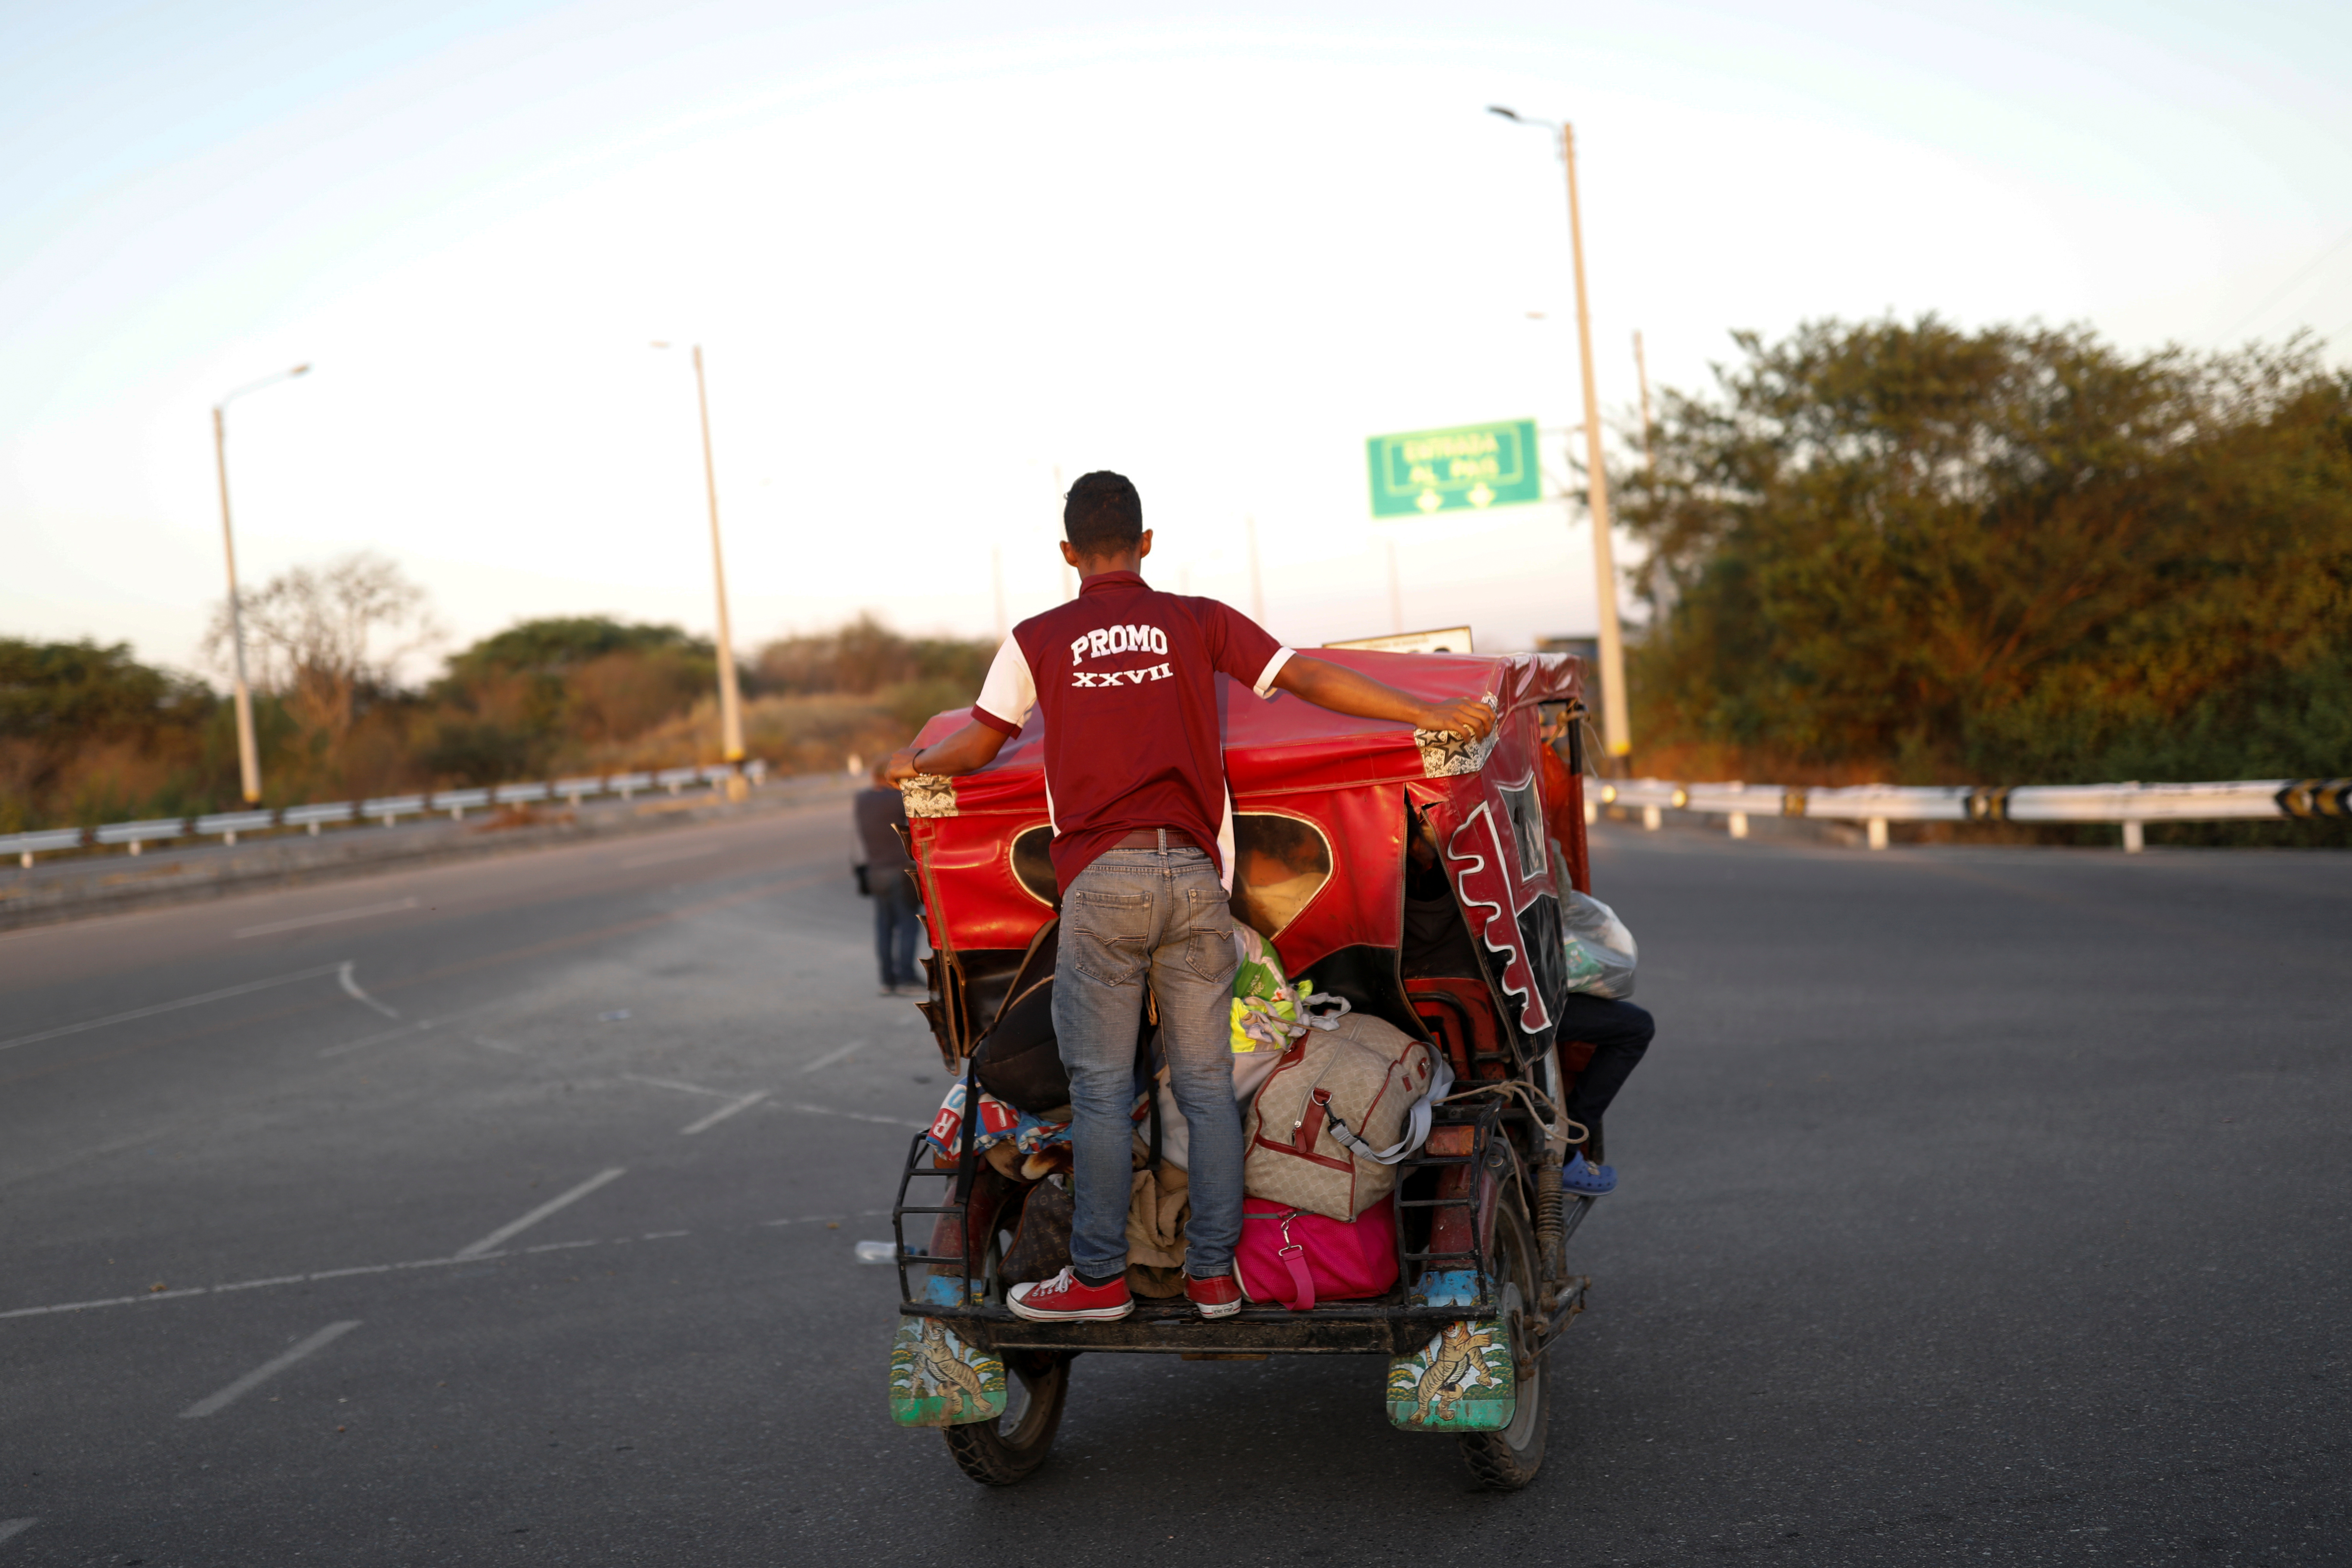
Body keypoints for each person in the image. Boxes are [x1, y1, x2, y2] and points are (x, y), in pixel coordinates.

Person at [886, 470, 1494, 1324]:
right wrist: (1424, 706)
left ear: (1067, 553)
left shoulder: (1036, 638)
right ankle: (1214, 1273)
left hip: (1102, 883)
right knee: (1205, 1087)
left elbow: (980, 742)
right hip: (1196, 882)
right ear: (1144, 543)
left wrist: (915, 765)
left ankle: (1097, 1279)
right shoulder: (1196, 619)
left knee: (1100, 1092)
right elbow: (1309, 677)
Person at [1400, 811, 1651, 1197]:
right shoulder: (1491, 861)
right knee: (1633, 1027)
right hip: (1503, 1018)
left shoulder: (1382, 889)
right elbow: (1552, 903)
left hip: (1415, 1020)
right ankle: (1566, 1150)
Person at [854, 761, 923, 995]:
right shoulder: (898, 799)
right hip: (900, 871)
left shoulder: (861, 800)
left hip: (875, 872)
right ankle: (907, 979)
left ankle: (888, 980)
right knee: (909, 925)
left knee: (884, 926)